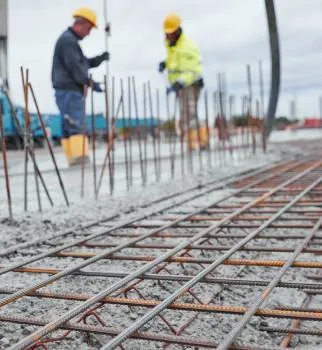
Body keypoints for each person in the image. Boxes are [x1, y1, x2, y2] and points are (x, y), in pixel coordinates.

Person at [52, 7, 109, 165]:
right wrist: (92, 84)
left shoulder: (68, 40)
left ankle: (73, 160)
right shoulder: (68, 41)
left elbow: (81, 63)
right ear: (81, 24)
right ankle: (80, 160)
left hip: (65, 90)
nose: (89, 33)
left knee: (68, 125)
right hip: (69, 90)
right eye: (89, 28)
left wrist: (99, 59)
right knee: (76, 124)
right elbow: (75, 68)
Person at [158, 13, 208, 151]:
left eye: (170, 33)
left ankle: (202, 142)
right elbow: (175, 64)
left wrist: (180, 82)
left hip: (191, 84)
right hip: (180, 87)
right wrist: (165, 64)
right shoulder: (172, 46)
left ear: (177, 30)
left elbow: (192, 70)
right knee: (185, 116)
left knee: (191, 115)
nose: (168, 36)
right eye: (167, 33)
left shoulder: (187, 46)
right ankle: (191, 145)